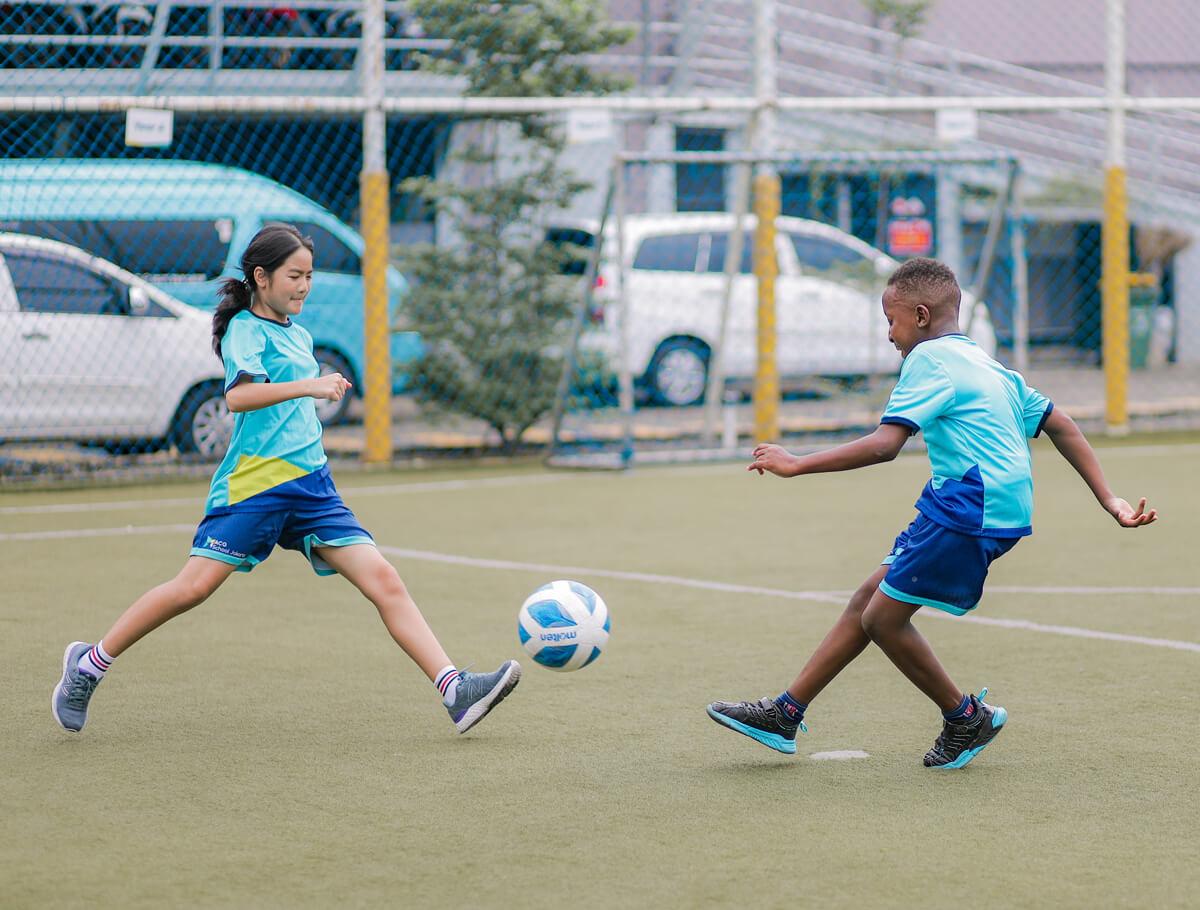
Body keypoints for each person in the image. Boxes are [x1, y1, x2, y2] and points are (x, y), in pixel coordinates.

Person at [52, 223, 520, 736]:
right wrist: (310, 385)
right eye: (294, 275)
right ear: (262, 277)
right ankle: (89, 665)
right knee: (192, 589)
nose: (304, 285)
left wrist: (316, 387)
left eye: (309, 275)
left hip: (313, 488)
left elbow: (294, 404)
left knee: (384, 579)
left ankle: (455, 691)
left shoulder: (298, 334)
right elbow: (239, 397)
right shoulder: (244, 331)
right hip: (255, 489)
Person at [707, 257, 1156, 769]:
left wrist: (796, 463)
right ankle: (786, 713)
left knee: (883, 620)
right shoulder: (989, 365)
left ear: (920, 315)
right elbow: (1064, 425)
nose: (890, 335)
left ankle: (966, 717)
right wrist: (1108, 498)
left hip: (970, 505)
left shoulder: (928, 360)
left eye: (891, 321)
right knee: (869, 599)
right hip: (972, 501)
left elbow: (884, 446)